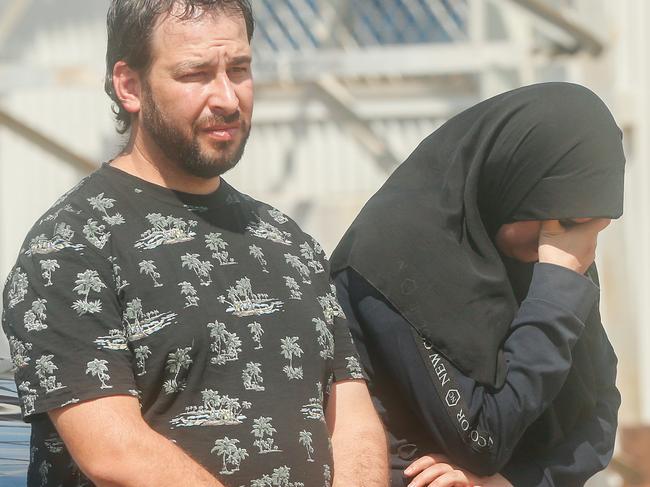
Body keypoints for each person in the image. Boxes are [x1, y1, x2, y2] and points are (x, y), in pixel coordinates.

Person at [1, 1, 387, 486]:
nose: (227, 97)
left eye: (239, 69)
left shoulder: (287, 241)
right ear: (129, 86)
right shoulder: (71, 247)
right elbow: (114, 452)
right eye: (196, 74)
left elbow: (351, 418)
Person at [330, 82, 624, 486]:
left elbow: (600, 412)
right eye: (567, 225)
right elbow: (483, 440)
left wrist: (511, 481)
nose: (565, 247)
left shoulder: (553, 254)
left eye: (593, 230)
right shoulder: (392, 259)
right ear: (513, 181)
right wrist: (556, 290)